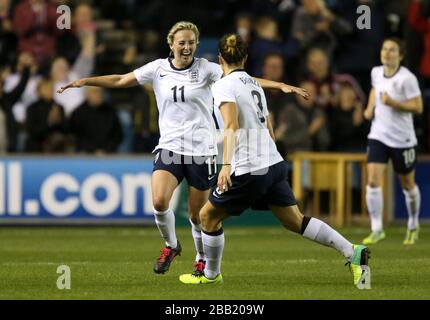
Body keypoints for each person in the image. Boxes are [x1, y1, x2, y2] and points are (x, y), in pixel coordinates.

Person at [58, 21, 309, 276]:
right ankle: (171, 245)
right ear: (171, 44)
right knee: (158, 201)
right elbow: (122, 79)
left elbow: (242, 78)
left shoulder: (207, 69)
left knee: (196, 215)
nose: (187, 47)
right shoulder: (157, 69)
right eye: (182, 42)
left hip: (201, 149)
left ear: (196, 44)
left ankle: (201, 258)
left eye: (191, 42)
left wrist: (278, 86)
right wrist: (86, 81)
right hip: (169, 146)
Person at [179, 33, 371, 290]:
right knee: (294, 220)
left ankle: (211, 275)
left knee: (207, 216)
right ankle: (352, 251)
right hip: (273, 162)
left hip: (250, 167)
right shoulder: (253, 84)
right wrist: (280, 86)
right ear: (245, 58)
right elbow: (266, 122)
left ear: (220, 58)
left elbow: (231, 125)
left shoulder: (223, 86)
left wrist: (226, 166)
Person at [362, 38, 423, 245]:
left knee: (407, 184)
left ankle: (413, 224)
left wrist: (394, 103)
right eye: (384, 49)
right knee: (372, 180)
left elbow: (418, 107)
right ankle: (377, 228)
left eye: (392, 50)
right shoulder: (376, 72)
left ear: (401, 56)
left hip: (403, 139)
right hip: (378, 135)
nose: (387, 53)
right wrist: (370, 108)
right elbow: (374, 90)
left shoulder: (407, 79)